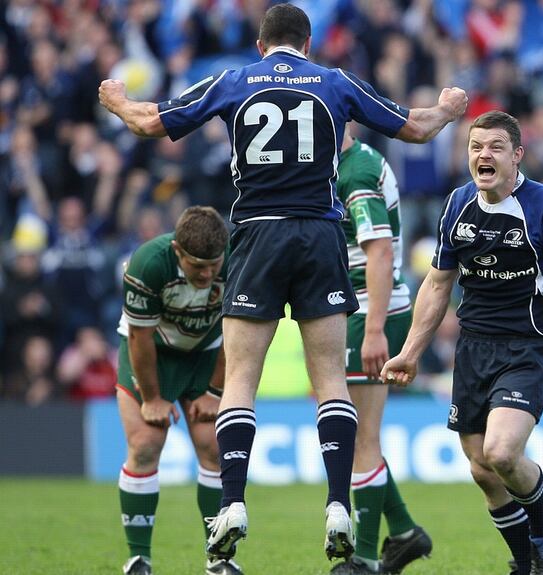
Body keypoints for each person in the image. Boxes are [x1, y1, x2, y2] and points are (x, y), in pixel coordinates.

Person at [99, 3, 468, 568]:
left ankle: (232, 503)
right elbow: (416, 127)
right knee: (330, 380)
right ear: (309, 43)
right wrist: (447, 108)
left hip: (257, 235)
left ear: (261, 44)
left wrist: (117, 101)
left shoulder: (234, 80)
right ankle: (339, 504)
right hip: (321, 236)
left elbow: (151, 123)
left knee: (241, 378)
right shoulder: (335, 82)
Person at [380, 110, 543, 575]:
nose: (484, 155)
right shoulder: (458, 204)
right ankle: (526, 563)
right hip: (473, 349)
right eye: (476, 146)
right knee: (482, 469)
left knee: (501, 453)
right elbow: (438, 284)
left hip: (527, 347)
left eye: (496, 147)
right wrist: (410, 353)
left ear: (517, 155)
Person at [330, 126, 431, 575]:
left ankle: (366, 559)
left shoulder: (356, 171)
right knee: (355, 436)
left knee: (360, 438)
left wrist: (373, 329)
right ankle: (405, 532)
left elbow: (381, 253)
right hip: (356, 306)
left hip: (369, 308)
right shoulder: (349, 163)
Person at [115, 206, 234, 575]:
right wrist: (152, 398)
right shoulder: (149, 262)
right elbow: (140, 336)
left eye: (213, 265)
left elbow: (240, 327)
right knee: (145, 444)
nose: (207, 274)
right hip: (153, 352)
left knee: (214, 447)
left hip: (208, 353)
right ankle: (139, 559)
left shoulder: (238, 258)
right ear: (177, 251)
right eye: (197, 265)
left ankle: (219, 560)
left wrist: (215, 391)